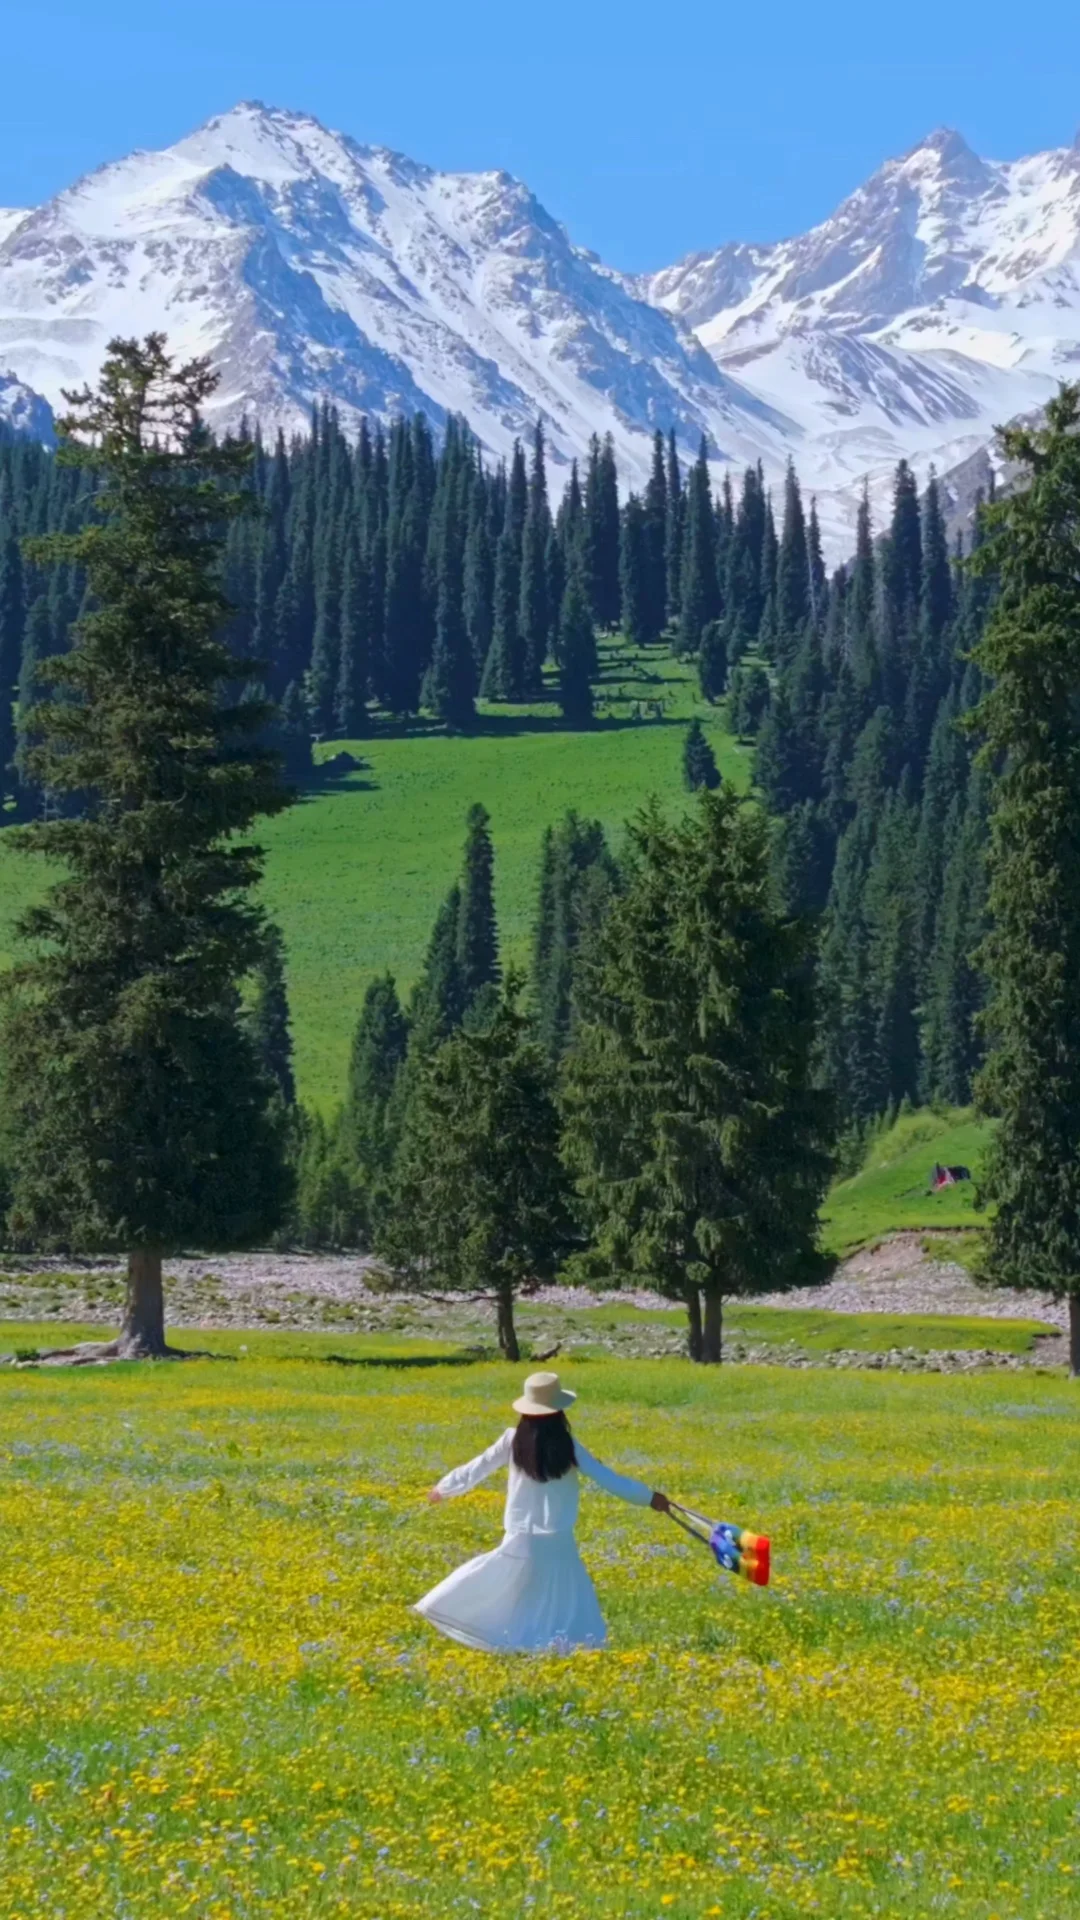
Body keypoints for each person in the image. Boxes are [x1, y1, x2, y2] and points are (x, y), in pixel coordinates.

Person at [414, 1370, 671, 1652]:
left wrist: (444, 1488)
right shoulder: (568, 1446)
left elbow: (478, 1467)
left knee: (509, 1584)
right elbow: (609, 1479)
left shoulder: (513, 1440)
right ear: (560, 1412)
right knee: (564, 1598)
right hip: (558, 1538)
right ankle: (556, 1646)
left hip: (520, 1532)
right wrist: (649, 1498)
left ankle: (507, 1635)